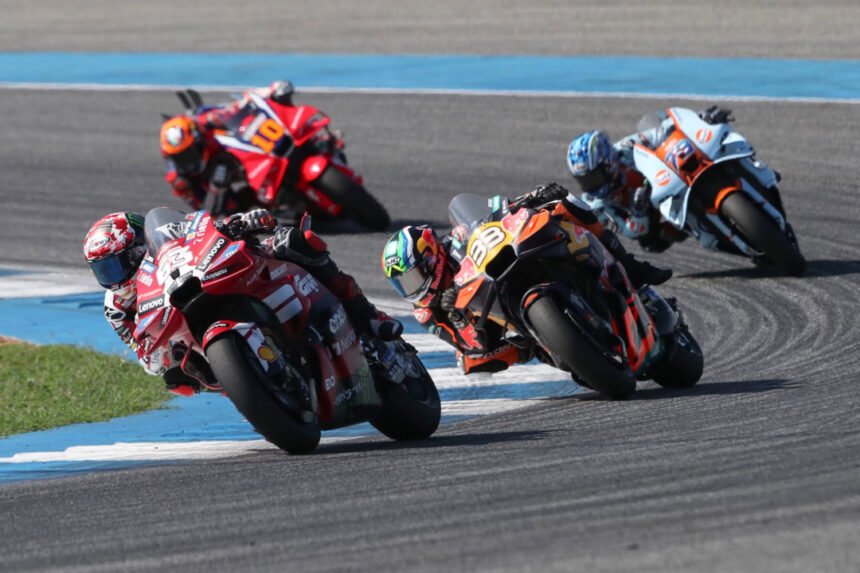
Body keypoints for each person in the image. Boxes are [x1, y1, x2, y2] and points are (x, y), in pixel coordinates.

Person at [83, 207, 401, 389]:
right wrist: (162, 355)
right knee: (179, 375)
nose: (114, 277)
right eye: (103, 270)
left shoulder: (169, 236)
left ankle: (368, 315)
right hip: (190, 338)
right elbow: (144, 356)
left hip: (211, 277)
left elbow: (204, 229)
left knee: (296, 241)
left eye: (116, 264)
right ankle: (263, 388)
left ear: (138, 247)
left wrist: (243, 220)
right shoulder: (117, 308)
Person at [381, 183, 671, 376]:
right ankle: (560, 348)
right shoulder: (428, 312)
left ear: (431, 256)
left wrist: (529, 199)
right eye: (404, 284)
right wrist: (457, 317)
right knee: (470, 363)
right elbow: (470, 346)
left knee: (564, 205)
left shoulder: (456, 241)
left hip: (514, 264)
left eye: (414, 276)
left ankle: (630, 265)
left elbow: (491, 218)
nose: (414, 287)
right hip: (506, 327)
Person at [566, 105, 735, 252]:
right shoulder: (597, 205)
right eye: (585, 180)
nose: (592, 185)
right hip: (653, 212)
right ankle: (729, 243)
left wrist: (701, 120)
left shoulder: (626, 148)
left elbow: (661, 131)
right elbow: (629, 230)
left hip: (672, 178)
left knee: (713, 152)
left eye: (594, 177)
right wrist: (638, 211)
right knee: (656, 243)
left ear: (609, 163)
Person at [159, 81, 297, 215]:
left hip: (241, 151)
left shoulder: (206, 121)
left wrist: (271, 90)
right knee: (234, 210)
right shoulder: (179, 180)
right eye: (179, 157)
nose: (187, 161)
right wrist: (217, 188)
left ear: (198, 141)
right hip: (221, 190)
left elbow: (238, 105)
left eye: (189, 153)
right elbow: (204, 214)